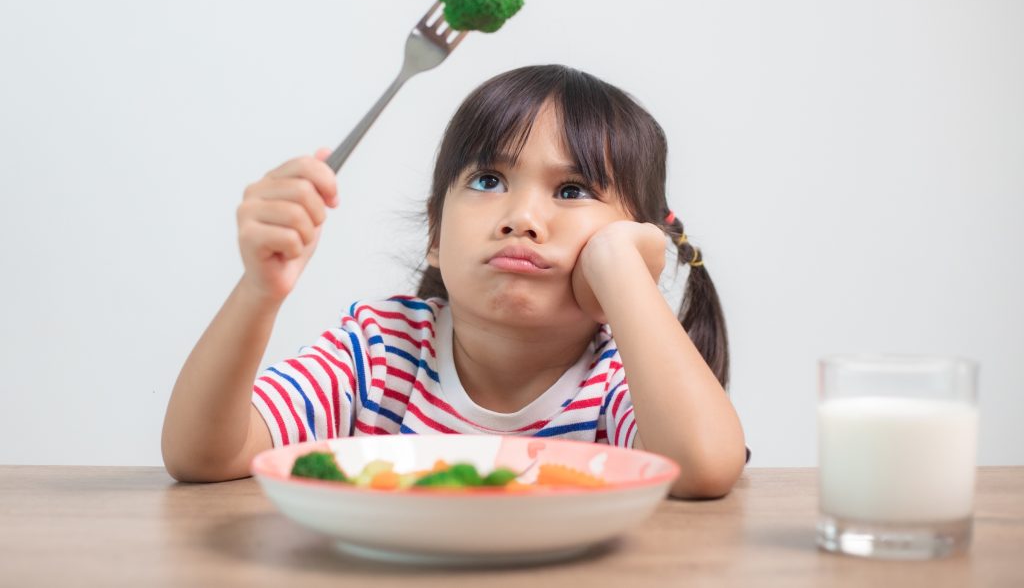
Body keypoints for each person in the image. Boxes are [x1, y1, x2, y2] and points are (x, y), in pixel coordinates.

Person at [162, 64, 747, 498]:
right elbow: (203, 455)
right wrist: (258, 293)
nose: (521, 217)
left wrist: (623, 270)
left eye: (572, 191)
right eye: (489, 180)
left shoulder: (621, 379)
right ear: (436, 235)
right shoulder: (379, 351)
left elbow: (703, 467)